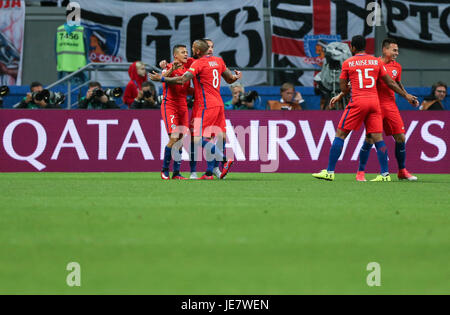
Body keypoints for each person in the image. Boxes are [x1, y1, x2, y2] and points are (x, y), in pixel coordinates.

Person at [313, 35, 417, 182]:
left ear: (352, 48)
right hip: (375, 103)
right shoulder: (376, 61)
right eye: (394, 50)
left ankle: (329, 171)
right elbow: (391, 83)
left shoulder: (348, 63)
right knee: (377, 139)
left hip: (359, 102)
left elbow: (344, 86)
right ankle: (384, 174)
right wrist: (406, 96)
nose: (396, 53)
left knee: (341, 134)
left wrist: (346, 89)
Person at [150, 39, 242, 180]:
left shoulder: (196, 64)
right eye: (184, 51)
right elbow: (230, 79)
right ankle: (204, 171)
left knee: (196, 139)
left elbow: (182, 81)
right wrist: (165, 69)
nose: (187, 53)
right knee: (212, 137)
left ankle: (221, 161)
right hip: (206, 104)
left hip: (204, 105)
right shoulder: (218, 61)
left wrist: (161, 78)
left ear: (197, 50)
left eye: (190, 49)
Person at [159, 44, 195, 180]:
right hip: (170, 106)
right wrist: (169, 69)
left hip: (183, 107)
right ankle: (164, 170)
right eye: (182, 52)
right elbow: (164, 80)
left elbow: (186, 89)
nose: (186, 54)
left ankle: (176, 173)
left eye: (186, 52)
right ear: (175, 56)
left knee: (180, 140)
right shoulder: (168, 67)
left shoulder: (187, 71)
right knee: (173, 137)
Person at [55, 7, 88, 85]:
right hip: (79, 66)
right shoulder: (81, 30)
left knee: (64, 93)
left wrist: (58, 63)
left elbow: (56, 50)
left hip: (63, 65)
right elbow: (87, 49)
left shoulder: (60, 30)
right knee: (81, 92)